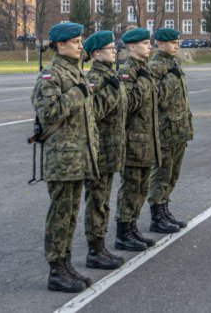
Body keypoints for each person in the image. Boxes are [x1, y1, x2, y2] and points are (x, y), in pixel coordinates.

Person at [30, 22, 99, 292]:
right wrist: (76, 93)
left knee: (70, 215)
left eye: (81, 41)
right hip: (62, 158)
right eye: (75, 41)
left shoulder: (74, 72)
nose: (81, 46)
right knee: (60, 214)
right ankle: (56, 270)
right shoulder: (51, 75)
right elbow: (49, 114)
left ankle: (67, 265)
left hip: (77, 157)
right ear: (60, 45)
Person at [82, 31, 126, 270]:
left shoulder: (109, 75)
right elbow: (94, 113)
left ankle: (100, 247)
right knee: (97, 200)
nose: (114, 51)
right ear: (97, 54)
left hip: (110, 148)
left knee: (103, 199)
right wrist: (110, 90)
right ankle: (95, 249)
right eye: (109, 48)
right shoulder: (97, 79)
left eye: (113, 48)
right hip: (99, 149)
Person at [114, 28, 162, 251]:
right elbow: (128, 105)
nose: (149, 46)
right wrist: (143, 83)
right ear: (131, 47)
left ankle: (132, 227)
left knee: (141, 188)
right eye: (144, 43)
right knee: (131, 187)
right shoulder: (127, 72)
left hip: (146, 138)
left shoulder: (143, 70)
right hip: (133, 140)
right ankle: (123, 232)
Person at [147, 28, 194, 233]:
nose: (176, 46)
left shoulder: (172, 64)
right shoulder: (156, 66)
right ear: (160, 44)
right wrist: (172, 79)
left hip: (178, 129)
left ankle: (165, 208)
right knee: (161, 174)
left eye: (177, 42)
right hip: (164, 130)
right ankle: (157, 215)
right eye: (173, 43)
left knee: (172, 174)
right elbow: (156, 98)